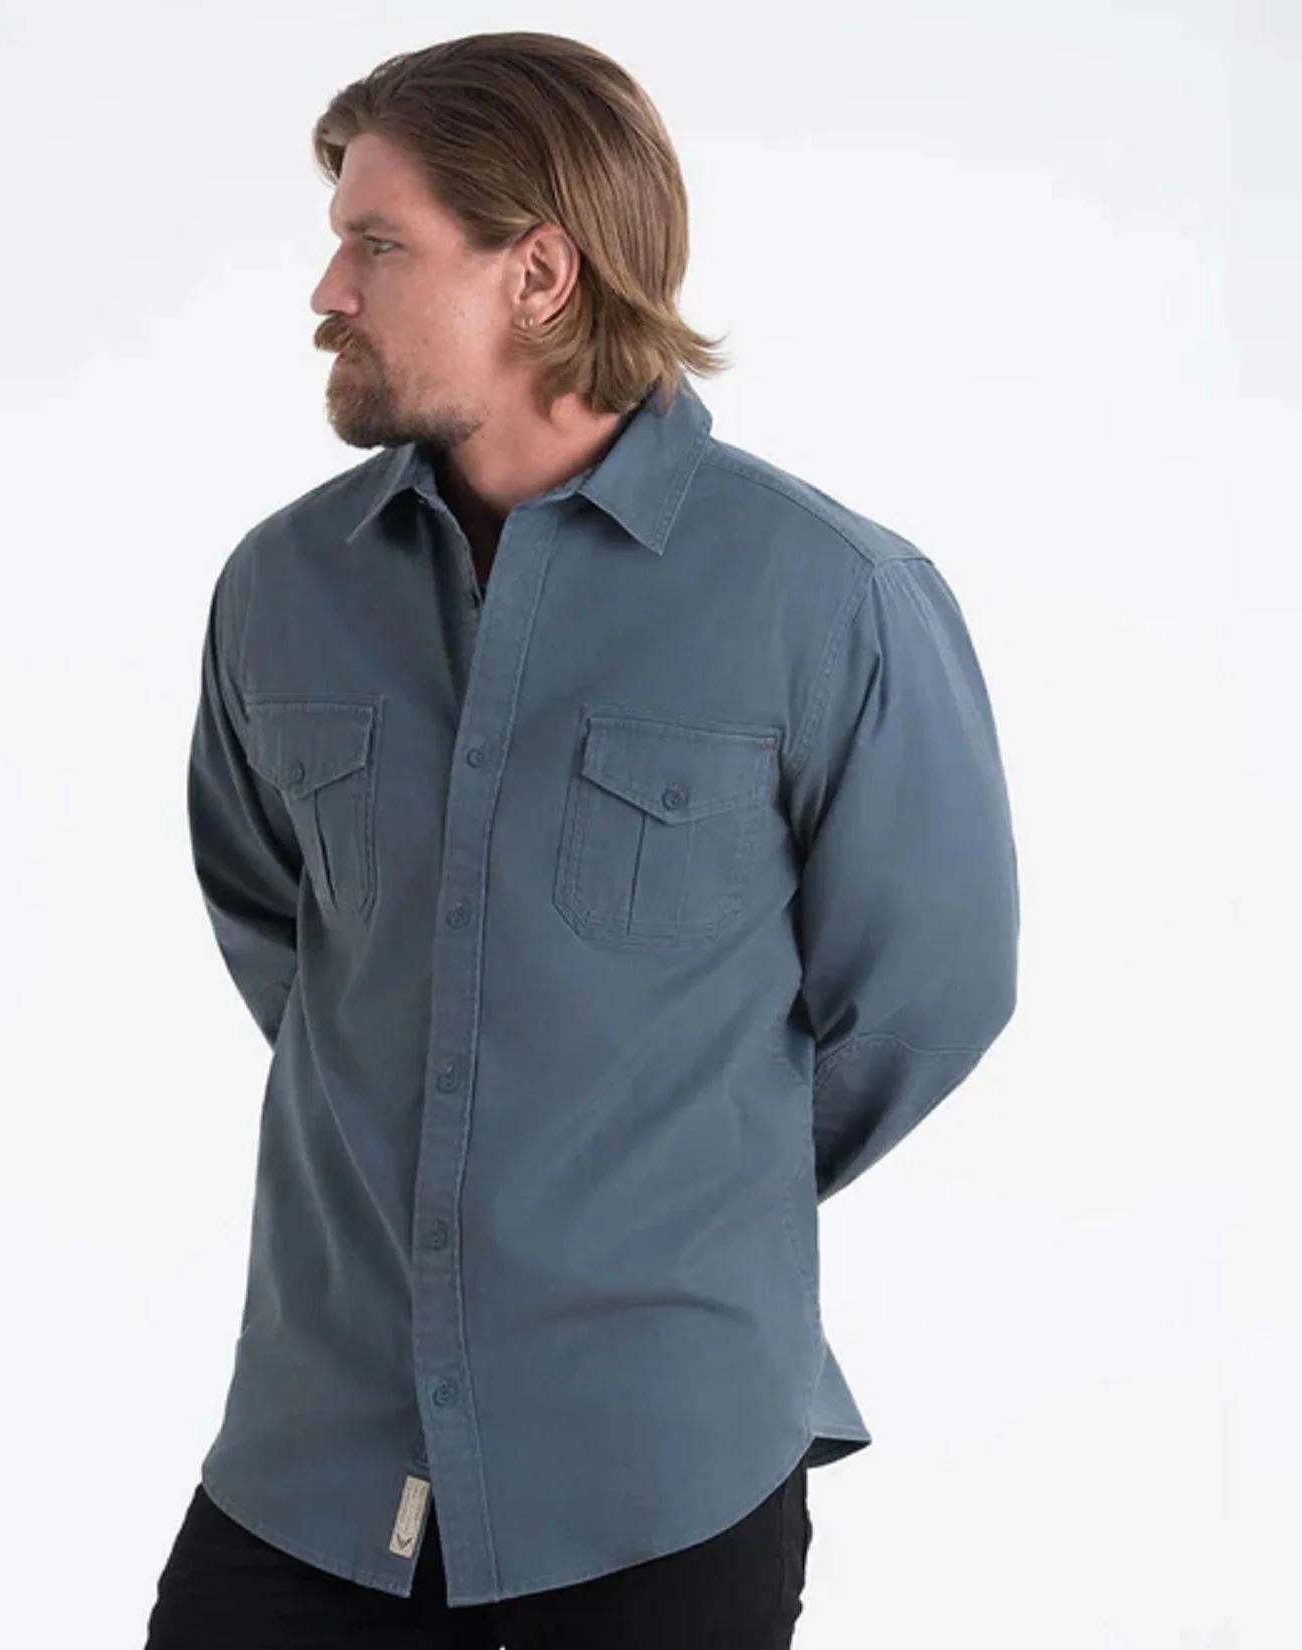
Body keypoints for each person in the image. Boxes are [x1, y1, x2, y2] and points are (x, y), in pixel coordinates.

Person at [146, 28, 1020, 1650]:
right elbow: (279, 922)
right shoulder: (281, 588)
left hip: (659, 1480)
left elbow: (930, 992)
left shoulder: (829, 595)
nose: (328, 291)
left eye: (378, 244)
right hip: (311, 1470)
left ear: (539, 273)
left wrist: (661, 1179)